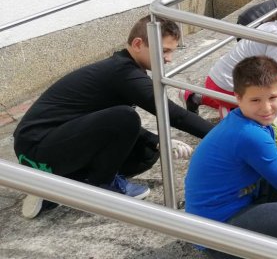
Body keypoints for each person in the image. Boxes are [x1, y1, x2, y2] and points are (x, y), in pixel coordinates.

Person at [13, 16, 212, 219]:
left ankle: (58, 186)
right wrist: (223, 135)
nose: (169, 59)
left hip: (56, 142)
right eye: (164, 51)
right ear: (137, 44)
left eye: (172, 52)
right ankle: (100, 187)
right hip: (35, 148)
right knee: (126, 117)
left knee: (147, 152)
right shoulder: (123, 73)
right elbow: (174, 115)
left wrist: (158, 142)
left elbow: (103, 124)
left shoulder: (124, 69)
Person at [185, 56, 277, 258]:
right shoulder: (247, 133)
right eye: (255, 100)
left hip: (244, 198)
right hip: (218, 231)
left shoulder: (248, 121)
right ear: (238, 98)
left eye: (272, 98)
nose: (266, 108)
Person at [196, 0, 277, 118]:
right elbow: (272, 78)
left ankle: (196, 97)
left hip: (215, 81)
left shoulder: (270, 25)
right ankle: (233, 111)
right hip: (225, 87)